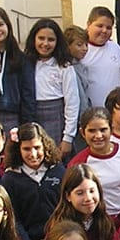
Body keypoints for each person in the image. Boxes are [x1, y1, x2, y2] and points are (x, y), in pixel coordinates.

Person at [1, 122, 66, 240]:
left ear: (45, 145)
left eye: (37, 148)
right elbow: (13, 219)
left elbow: (66, 210)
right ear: (19, 150)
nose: (33, 154)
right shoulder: (11, 178)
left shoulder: (58, 171)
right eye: (26, 149)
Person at [68, 107, 120, 222]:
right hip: (96, 222)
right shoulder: (78, 163)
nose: (98, 136)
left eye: (103, 130)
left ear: (111, 129)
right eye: (92, 131)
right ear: (82, 133)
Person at [26, 18, 80, 156]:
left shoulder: (64, 67)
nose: (45, 43)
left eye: (51, 39)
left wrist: (68, 137)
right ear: (33, 39)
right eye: (41, 38)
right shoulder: (26, 64)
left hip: (56, 118)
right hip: (32, 116)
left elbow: (72, 103)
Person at [81, 7, 120, 108]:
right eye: (100, 26)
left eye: (108, 27)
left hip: (115, 112)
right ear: (88, 24)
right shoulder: (80, 50)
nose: (104, 31)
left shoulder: (115, 48)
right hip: (91, 113)